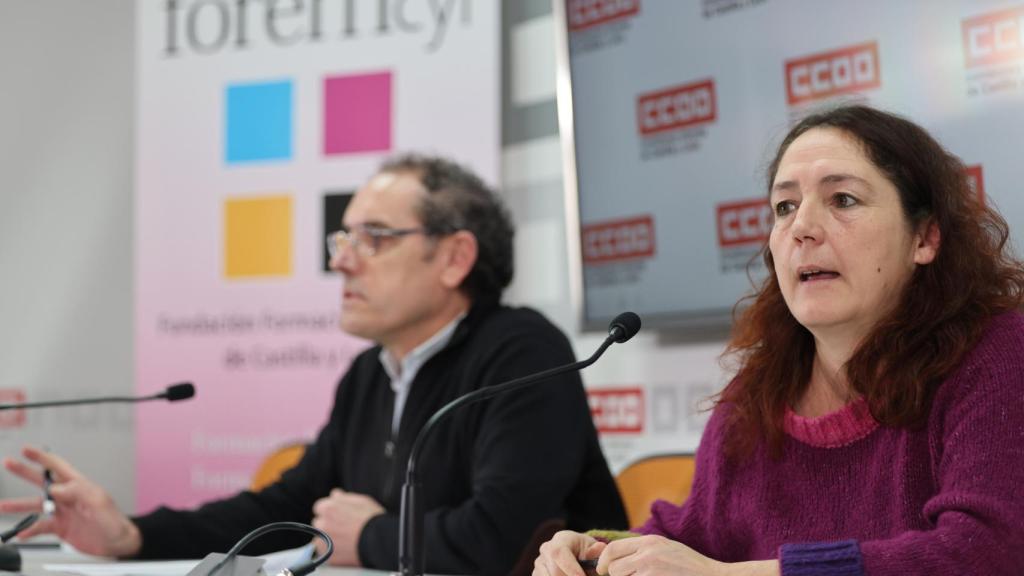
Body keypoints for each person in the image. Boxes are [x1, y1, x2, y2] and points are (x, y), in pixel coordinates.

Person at [1, 154, 627, 575]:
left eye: (374, 239)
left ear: (454, 258)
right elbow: (286, 508)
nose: (343, 262)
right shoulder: (370, 374)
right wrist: (131, 535)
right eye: (343, 239)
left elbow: (507, 541)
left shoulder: (522, 353)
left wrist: (372, 538)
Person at [534, 105, 1024, 576]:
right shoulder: (756, 395)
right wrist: (596, 556)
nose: (802, 229)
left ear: (925, 238)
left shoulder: (996, 353)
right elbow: (691, 542)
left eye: (843, 200)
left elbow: (986, 554)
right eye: (785, 206)